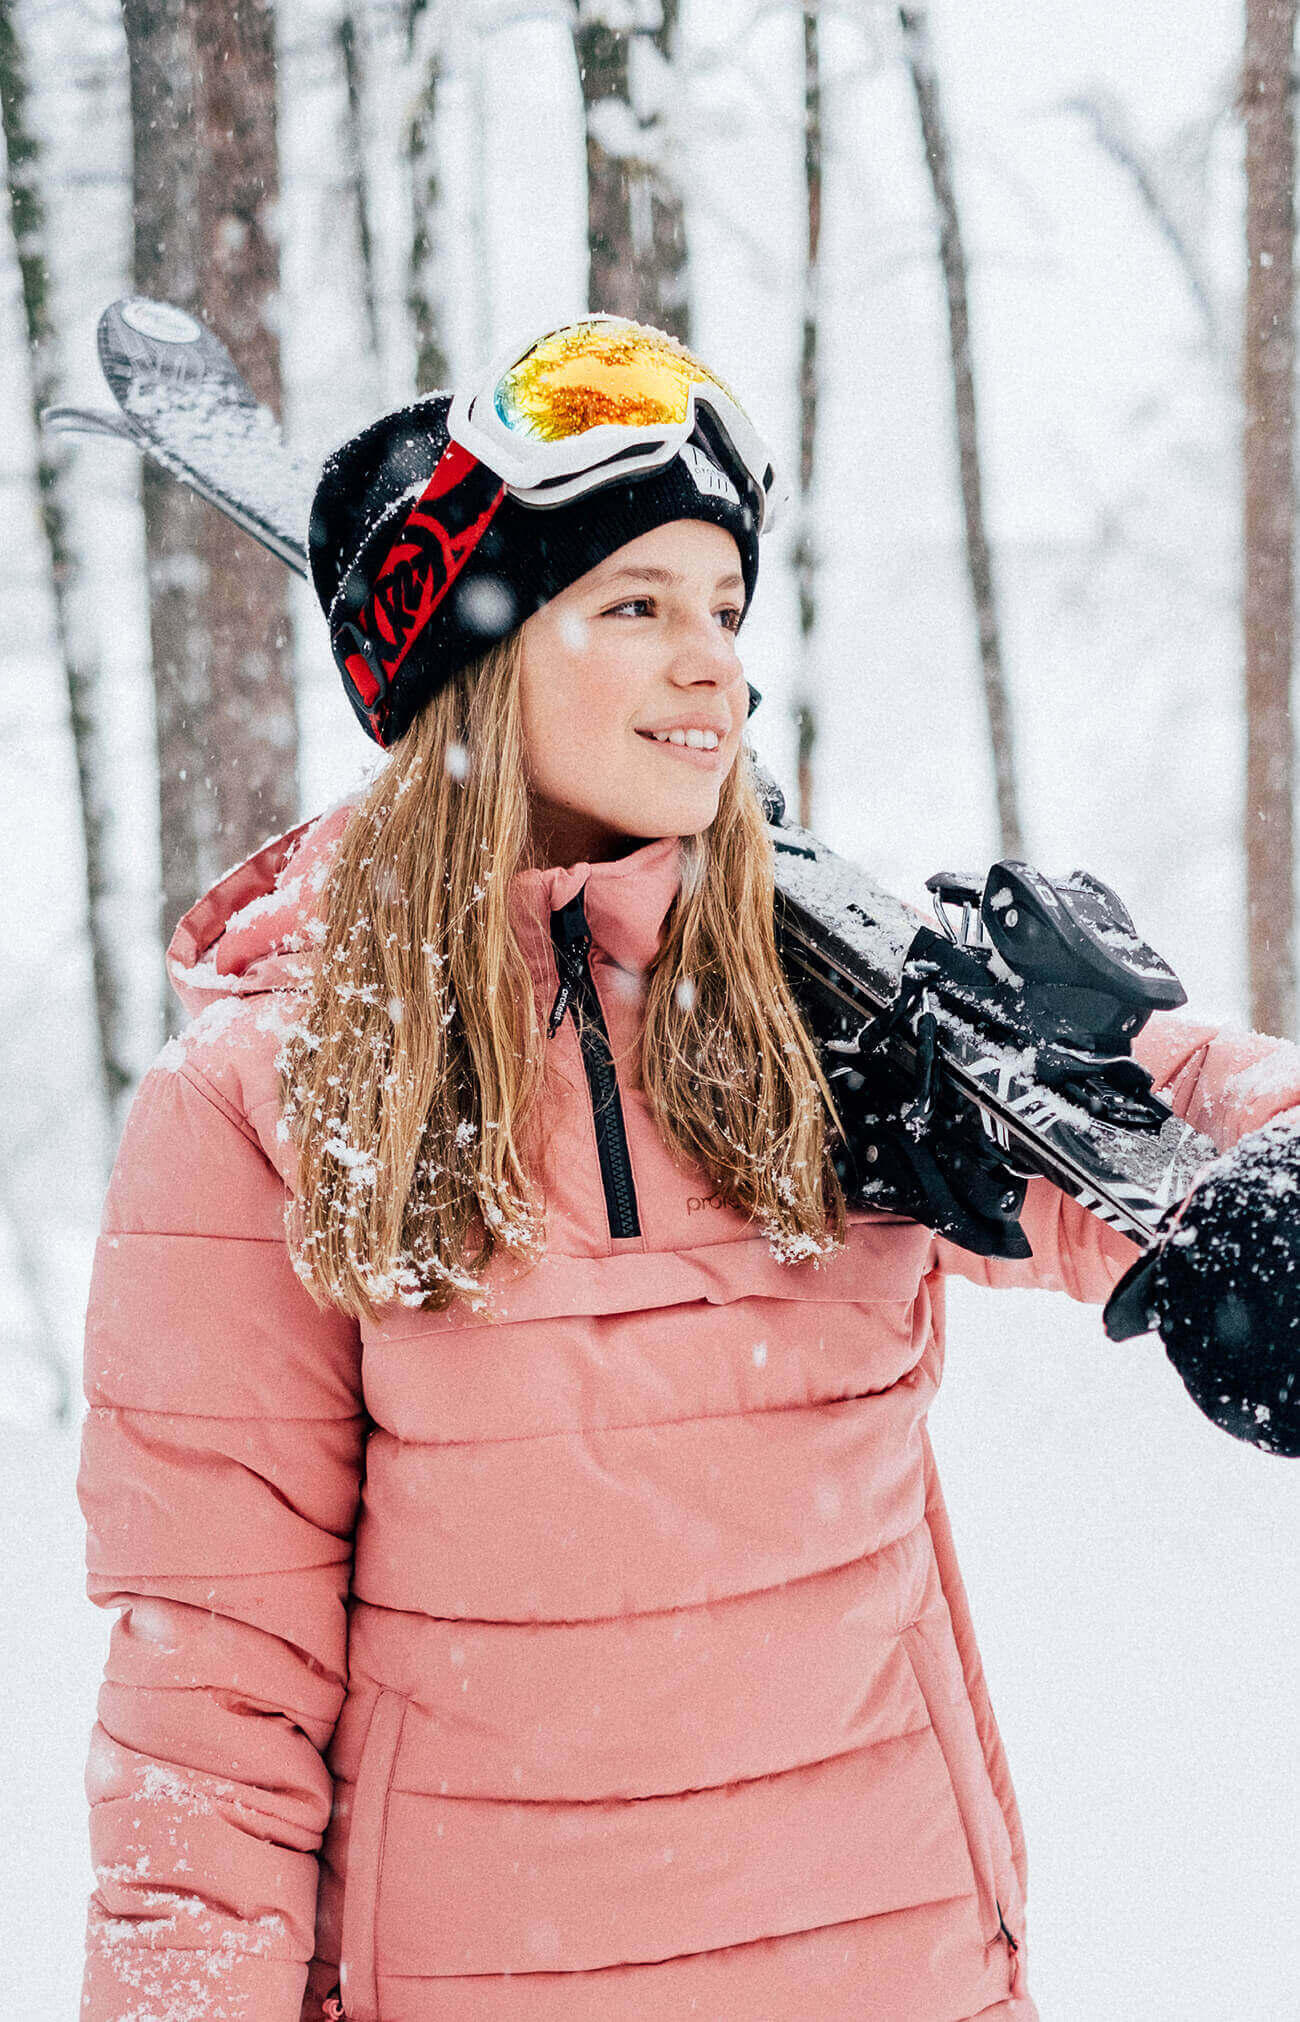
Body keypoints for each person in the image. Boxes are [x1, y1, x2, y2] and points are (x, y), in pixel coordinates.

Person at [79, 317, 1300, 2022]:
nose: (712, 664)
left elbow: (1176, 1106)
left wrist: (1268, 1203)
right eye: (636, 605)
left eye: (725, 608)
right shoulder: (269, 1100)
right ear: (479, 665)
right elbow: (215, 1708)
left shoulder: (838, 1022)